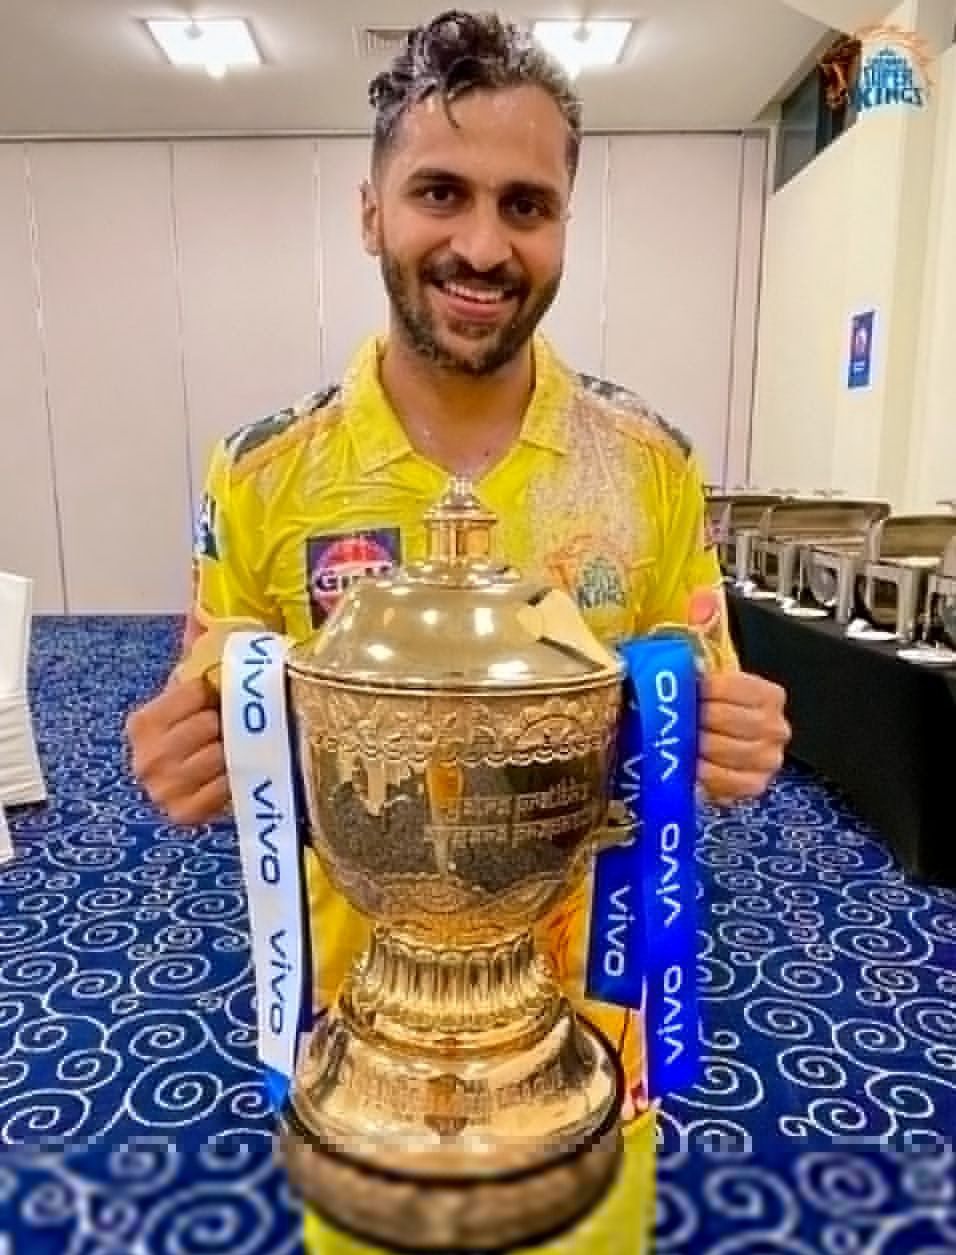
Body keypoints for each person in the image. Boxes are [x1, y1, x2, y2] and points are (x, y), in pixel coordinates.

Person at [126, 10, 790, 1252]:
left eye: (525, 205)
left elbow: (700, 690)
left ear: (562, 229)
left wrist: (734, 736)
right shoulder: (264, 473)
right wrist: (193, 751)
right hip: (362, 1049)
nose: (482, 245)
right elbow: (217, 688)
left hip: (589, 1031)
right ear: (370, 210)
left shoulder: (646, 467)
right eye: (439, 191)